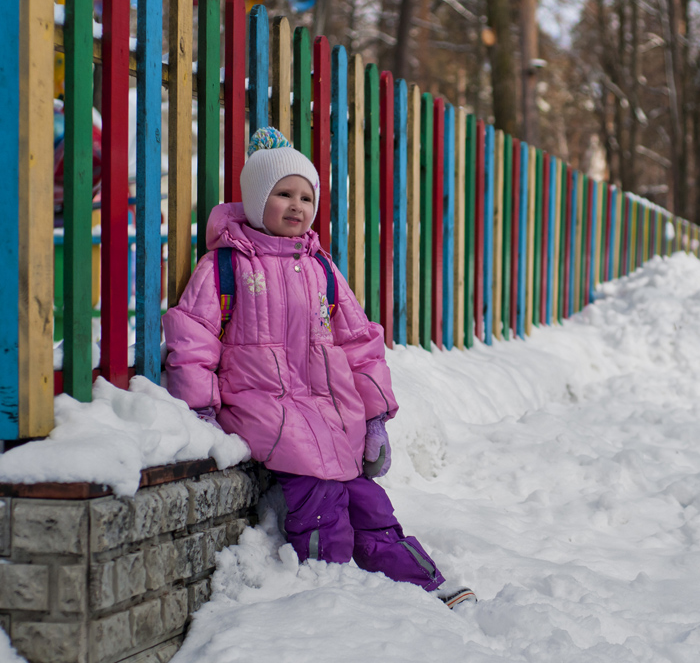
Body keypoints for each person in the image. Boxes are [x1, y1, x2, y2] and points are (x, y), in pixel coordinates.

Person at [163, 127, 475, 609]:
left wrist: (374, 416)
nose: (296, 206)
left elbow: (359, 343)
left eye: (306, 197)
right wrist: (200, 408)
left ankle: (421, 583)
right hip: (266, 407)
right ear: (254, 199)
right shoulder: (225, 266)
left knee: (370, 504)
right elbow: (193, 338)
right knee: (319, 499)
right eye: (282, 194)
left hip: (330, 411)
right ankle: (327, 595)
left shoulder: (321, 268)